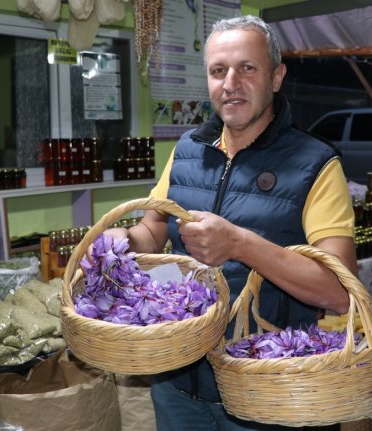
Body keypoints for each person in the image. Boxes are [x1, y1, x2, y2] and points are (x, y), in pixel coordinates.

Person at [99, 15, 357, 430]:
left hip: (268, 389)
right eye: (219, 71)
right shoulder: (187, 150)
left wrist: (240, 244)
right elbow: (152, 231)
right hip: (178, 379)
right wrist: (124, 238)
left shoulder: (315, 163)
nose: (230, 83)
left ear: (276, 77)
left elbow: (339, 291)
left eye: (247, 68)